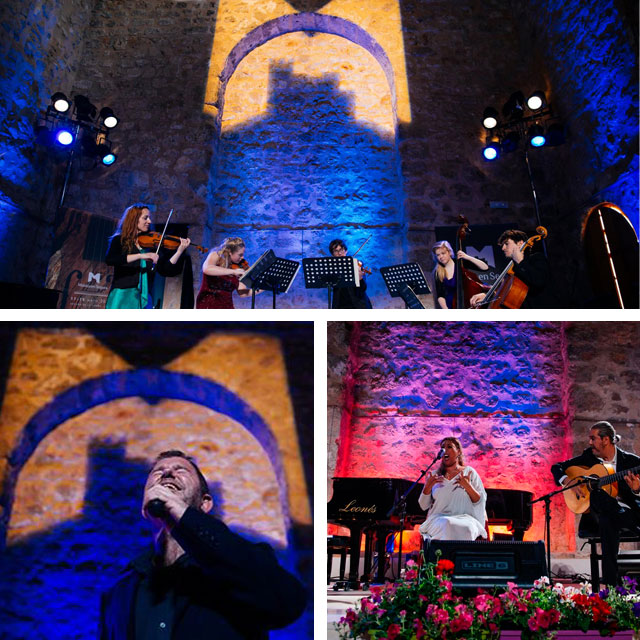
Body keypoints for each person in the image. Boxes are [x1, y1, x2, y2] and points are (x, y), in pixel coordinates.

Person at [99, 450, 306, 639]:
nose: (167, 473)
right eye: (158, 471)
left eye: (180, 470)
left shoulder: (242, 561)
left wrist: (181, 514)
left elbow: (287, 603)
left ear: (204, 503)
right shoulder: (119, 589)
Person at [551, 421, 640, 586]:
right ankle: (613, 586)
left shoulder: (632, 462)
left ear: (606, 440)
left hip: (627, 516)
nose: (590, 443)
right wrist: (567, 480)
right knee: (599, 497)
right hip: (596, 516)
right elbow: (557, 467)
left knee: (608, 519)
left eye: (593, 438)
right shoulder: (589, 457)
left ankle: (611, 585)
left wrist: (636, 490)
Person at [105, 204, 190, 309]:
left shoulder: (151, 246)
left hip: (144, 297)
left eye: (149, 218)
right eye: (145, 218)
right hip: (123, 295)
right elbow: (111, 259)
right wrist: (140, 256)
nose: (149, 221)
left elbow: (165, 270)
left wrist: (179, 251)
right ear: (134, 219)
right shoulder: (119, 240)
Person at [418, 437, 487, 540]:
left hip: (466, 518)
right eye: (442, 447)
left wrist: (467, 486)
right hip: (438, 519)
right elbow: (423, 505)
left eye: (449, 447)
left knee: (467, 528)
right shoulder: (434, 475)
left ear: (458, 451)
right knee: (447, 523)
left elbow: (479, 501)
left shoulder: (469, 472)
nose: (445, 450)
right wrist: (427, 487)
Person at [469, 229, 555, 309]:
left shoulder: (536, 258)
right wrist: (488, 295)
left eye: (506, 244)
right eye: (502, 245)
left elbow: (538, 281)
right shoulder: (512, 268)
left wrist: (521, 262)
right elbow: (506, 293)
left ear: (520, 243)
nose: (503, 248)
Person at [196, 237, 253, 308]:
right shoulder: (215, 255)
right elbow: (207, 269)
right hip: (208, 304)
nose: (242, 257)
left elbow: (242, 293)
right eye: (240, 255)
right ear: (230, 252)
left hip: (227, 306)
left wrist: (264, 287)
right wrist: (233, 271)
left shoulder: (239, 266)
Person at [432, 240, 489, 309]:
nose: (441, 257)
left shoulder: (460, 263)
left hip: (468, 300)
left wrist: (467, 257)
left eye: (443, 253)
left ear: (449, 252)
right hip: (452, 305)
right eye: (438, 255)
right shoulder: (438, 271)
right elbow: (440, 295)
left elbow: (485, 267)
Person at [328, 239, 373, 309]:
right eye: (336, 251)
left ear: (346, 251)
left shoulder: (356, 264)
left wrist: (360, 279)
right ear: (332, 254)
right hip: (340, 305)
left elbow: (363, 289)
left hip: (358, 305)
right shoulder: (332, 268)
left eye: (341, 250)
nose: (339, 253)